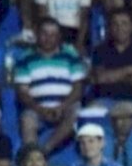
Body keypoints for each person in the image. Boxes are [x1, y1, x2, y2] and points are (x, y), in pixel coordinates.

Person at [13, 17, 86, 155]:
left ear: (59, 37)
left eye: (53, 34)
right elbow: (23, 93)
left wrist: (61, 107)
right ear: (37, 35)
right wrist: (40, 109)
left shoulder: (71, 55)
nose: (48, 38)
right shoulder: (24, 58)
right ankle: (31, 156)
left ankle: (44, 150)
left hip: (65, 106)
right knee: (27, 119)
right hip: (36, 107)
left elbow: (78, 89)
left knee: (77, 112)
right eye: (44, 33)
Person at [92, 9, 132, 104]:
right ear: (109, 27)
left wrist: (113, 76)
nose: (119, 28)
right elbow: (100, 78)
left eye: (124, 23)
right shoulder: (100, 50)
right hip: (107, 101)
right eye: (115, 24)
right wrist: (128, 70)